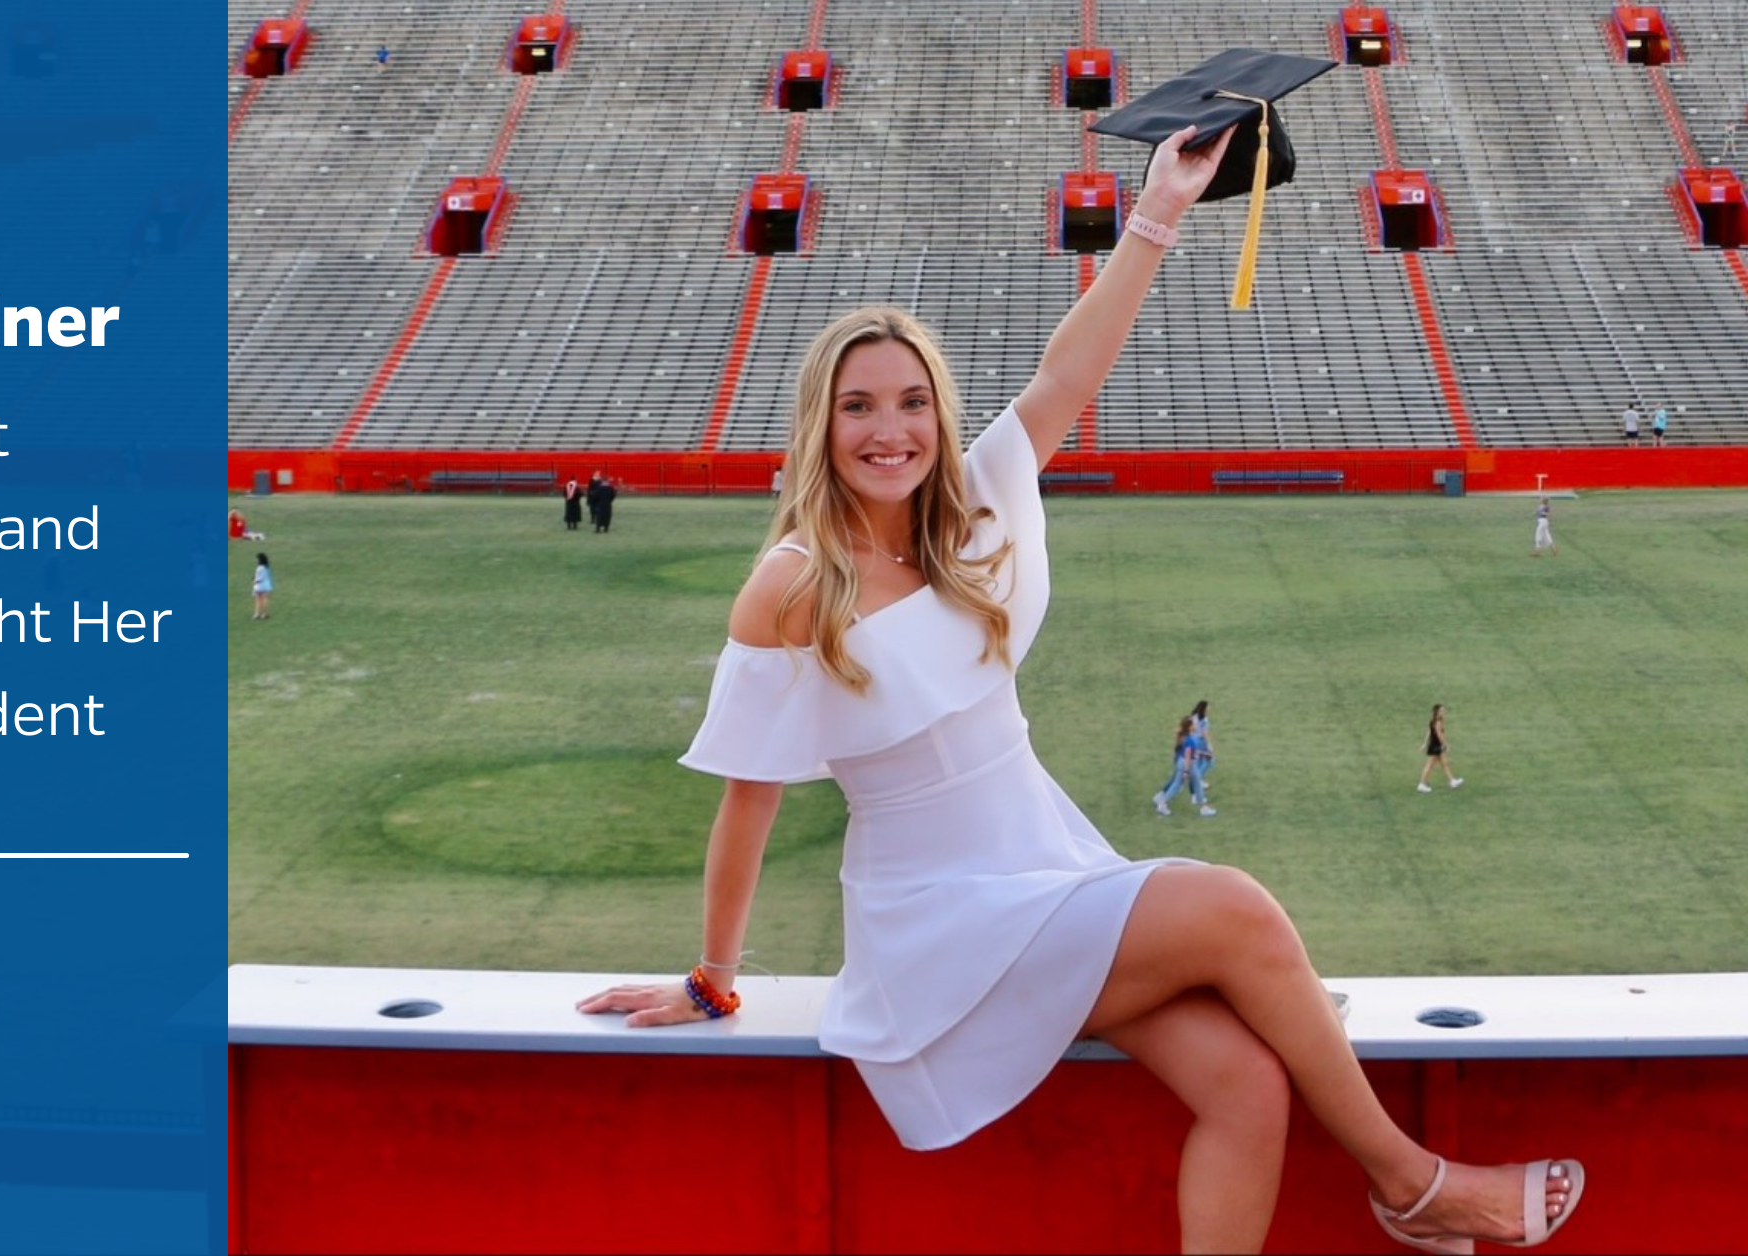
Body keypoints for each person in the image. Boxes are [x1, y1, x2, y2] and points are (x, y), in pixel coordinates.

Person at [576, 122, 1579, 1254]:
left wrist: (1158, 211)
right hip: (940, 912)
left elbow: (1068, 371)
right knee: (1238, 907)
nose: (890, 428)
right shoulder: (794, 584)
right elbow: (747, 799)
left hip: (1048, 863)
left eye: (911, 401)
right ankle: (1414, 1180)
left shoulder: (975, 503)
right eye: (858, 406)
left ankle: (1411, 1186)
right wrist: (713, 977)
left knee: (1249, 1083)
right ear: (821, 425)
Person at [1151, 713, 1214, 817]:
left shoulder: (1186, 737)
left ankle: (1203, 807)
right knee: (1180, 785)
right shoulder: (1189, 739)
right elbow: (1188, 755)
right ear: (1189, 727)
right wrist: (1186, 771)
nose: (1196, 726)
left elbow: (1191, 752)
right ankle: (1163, 804)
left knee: (1193, 783)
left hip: (1184, 762)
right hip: (1189, 764)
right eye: (1194, 724)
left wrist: (1204, 754)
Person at [1417, 703, 1462, 792]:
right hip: (1436, 746)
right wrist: (1445, 745)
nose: (1444, 712)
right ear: (1437, 712)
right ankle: (1422, 784)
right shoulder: (1438, 721)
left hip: (1434, 745)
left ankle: (1452, 781)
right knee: (1430, 765)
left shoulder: (1433, 721)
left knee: (1444, 763)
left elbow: (1429, 732)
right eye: (1442, 710)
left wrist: (1425, 744)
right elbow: (1439, 734)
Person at [250, 552, 273, 620]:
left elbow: (259, 578)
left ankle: (257, 614)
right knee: (264, 599)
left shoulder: (260, 568)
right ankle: (264, 614)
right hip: (265, 585)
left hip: (259, 585)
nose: (257, 560)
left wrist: (254, 580)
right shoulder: (266, 567)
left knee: (258, 600)